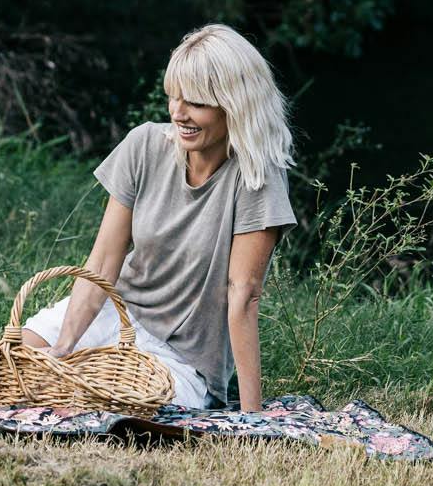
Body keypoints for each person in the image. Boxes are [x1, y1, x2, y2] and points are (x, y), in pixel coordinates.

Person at [21, 23, 295, 410]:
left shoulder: (257, 177)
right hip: (116, 313)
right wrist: (63, 347)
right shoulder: (145, 144)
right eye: (173, 97)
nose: (178, 113)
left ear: (235, 105)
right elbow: (103, 261)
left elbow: (243, 294)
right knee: (6, 364)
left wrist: (252, 417)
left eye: (195, 103)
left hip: (182, 356)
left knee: (97, 406)